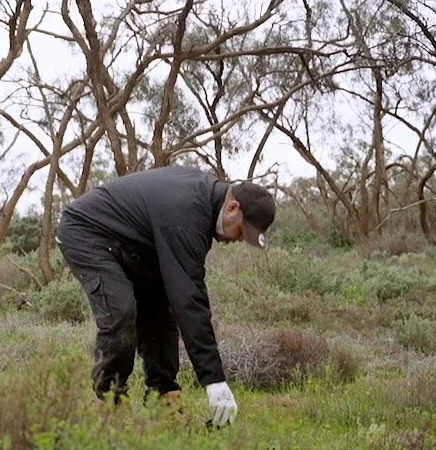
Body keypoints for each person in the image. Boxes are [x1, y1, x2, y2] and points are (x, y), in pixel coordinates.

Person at [55, 165, 274, 427]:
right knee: (121, 314)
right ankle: (110, 404)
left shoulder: (203, 206)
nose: (239, 239)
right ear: (232, 208)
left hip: (134, 244)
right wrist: (214, 380)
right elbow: (190, 299)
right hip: (87, 232)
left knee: (161, 313)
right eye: (242, 231)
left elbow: (180, 297)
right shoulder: (188, 214)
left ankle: (163, 398)